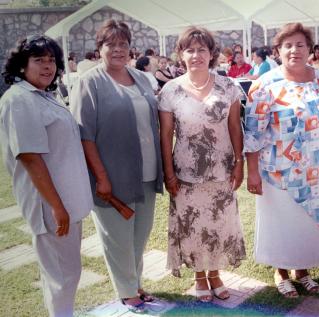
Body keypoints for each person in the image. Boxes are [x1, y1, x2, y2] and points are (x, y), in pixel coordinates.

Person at [70, 19, 163, 314]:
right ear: (100, 49)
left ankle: (134, 284)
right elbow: (84, 134)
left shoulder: (141, 78)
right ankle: (126, 291)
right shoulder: (90, 82)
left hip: (146, 173)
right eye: (112, 44)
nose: (119, 49)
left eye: (123, 43)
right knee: (117, 238)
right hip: (111, 177)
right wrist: (100, 177)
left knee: (139, 236)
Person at [244, 22, 319, 299]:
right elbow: (252, 131)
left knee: (307, 225)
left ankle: (303, 270)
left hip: (317, 170)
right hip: (278, 172)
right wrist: (252, 172)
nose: (294, 50)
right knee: (282, 223)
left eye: (300, 44)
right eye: (288, 45)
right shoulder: (265, 83)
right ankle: (281, 271)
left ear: (310, 49)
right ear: (278, 50)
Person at [0, 35, 93, 317]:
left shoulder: (42, 96)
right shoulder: (19, 100)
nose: (47, 66)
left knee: (63, 274)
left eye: (51, 59)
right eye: (38, 60)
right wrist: (57, 207)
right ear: (21, 65)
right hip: (51, 206)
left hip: (65, 202)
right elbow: (30, 157)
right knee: (63, 277)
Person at [158, 26, 246, 303]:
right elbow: (165, 135)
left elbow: (235, 127)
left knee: (219, 222)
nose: (196, 55)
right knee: (193, 225)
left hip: (222, 168)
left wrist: (239, 162)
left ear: (211, 54)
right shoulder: (170, 90)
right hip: (185, 173)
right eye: (190, 49)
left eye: (202, 49)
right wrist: (169, 173)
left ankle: (216, 274)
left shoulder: (229, 86)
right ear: (181, 55)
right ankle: (199, 276)